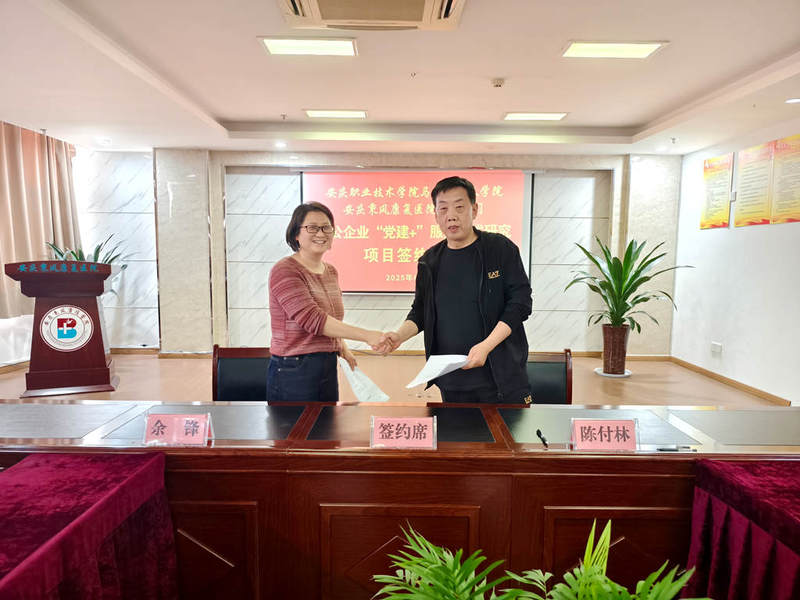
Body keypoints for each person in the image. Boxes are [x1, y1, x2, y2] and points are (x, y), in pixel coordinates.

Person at [380, 176, 533, 404]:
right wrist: (399, 336)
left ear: (475, 209)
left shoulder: (499, 249)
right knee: (455, 428)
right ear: (435, 215)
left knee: (506, 429)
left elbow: (520, 304)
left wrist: (486, 346)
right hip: (451, 379)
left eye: (459, 207)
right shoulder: (429, 261)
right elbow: (420, 311)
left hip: (500, 375)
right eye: (443, 209)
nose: (451, 215)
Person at [267, 201, 385, 402]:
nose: (321, 234)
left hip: (327, 364)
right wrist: (367, 336)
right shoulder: (285, 270)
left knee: (326, 422)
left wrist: (342, 346)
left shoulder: (330, 271)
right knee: (298, 424)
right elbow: (313, 320)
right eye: (312, 228)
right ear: (296, 234)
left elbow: (330, 320)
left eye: (326, 228)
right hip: (293, 368)